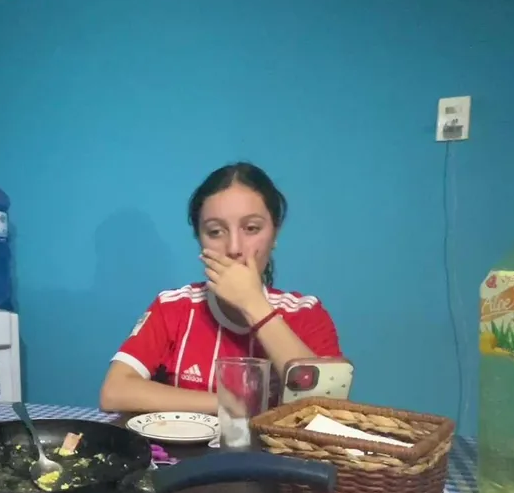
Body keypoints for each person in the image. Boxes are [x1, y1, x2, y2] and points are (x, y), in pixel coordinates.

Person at [99, 162, 343, 414]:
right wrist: (230, 404)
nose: (234, 248)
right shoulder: (173, 307)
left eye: (251, 228)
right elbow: (114, 393)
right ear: (199, 240)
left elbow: (329, 409)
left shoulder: (306, 312)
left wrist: (253, 305)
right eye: (215, 232)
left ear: (275, 234)